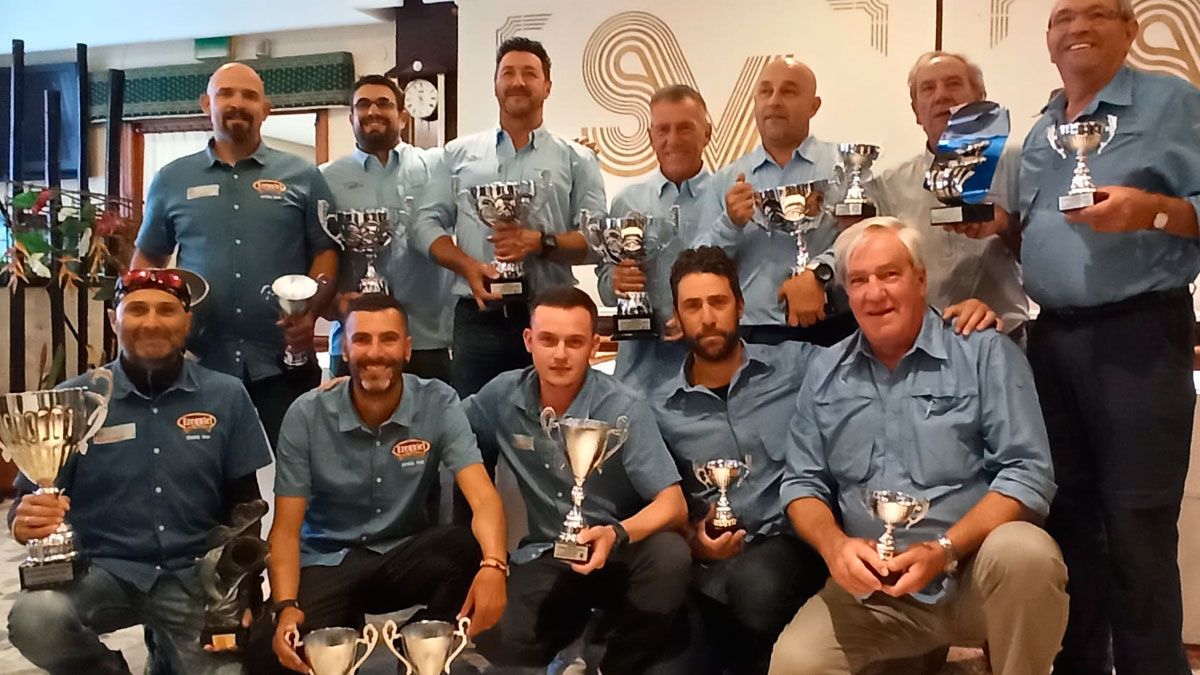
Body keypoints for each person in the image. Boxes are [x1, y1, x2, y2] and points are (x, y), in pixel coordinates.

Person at [769, 218, 1068, 675]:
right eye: (859, 280)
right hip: (876, 596)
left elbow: (1028, 474)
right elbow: (801, 483)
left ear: (921, 279)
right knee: (795, 663)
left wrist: (945, 550)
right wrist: (835, 548)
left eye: (889, 275)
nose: (874, 293)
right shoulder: (825, 372)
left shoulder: (983, 352)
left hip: (971, 576)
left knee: (1026, 553)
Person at [1015, 1, 1200, 672]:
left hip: (1139, 337)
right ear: (1048, 39)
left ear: (1130, 29)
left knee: (1138, 530)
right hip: (1053, 342)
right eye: (1064, 16)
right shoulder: (1041, 129)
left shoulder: (1173, 101)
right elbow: (1034, 230)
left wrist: (1153, 209)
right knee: (1068, 527)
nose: (1078, 27)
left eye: (1098, 11)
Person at [7, 268, 273, 675]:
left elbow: (246, 504)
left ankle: (166, 654)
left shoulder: (227, 396)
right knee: (35, 619)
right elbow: (27, 499)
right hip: (102, 572)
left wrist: (243, 592)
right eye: (137, 310)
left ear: (187, 322)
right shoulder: (74, 399)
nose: (151, 322)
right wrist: (25, 520)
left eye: (167, 310)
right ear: (116, 319)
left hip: (193, 577)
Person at [246, 293, 508, 674]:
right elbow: (285, 530)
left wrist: (495, 565)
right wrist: (285, 607)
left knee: (466, 546)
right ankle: (341, 627)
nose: (374, 352)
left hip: (404, 556)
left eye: (387, 339)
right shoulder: (306, 414)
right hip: (327, 560)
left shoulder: (438, 402)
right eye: (361, 340)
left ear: (407, 348)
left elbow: (484, 499)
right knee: (268, 659)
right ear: (345, 349)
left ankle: (420, 645)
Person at [462, 287, 690, 674]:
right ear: (529, 341)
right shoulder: (501, 395)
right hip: (547, 552)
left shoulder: (623, 408)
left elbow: (674, 504)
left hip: (619, 551)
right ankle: (575, 640)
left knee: (670, 556)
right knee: (499, 638)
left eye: (574, 342)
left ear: (594, 345)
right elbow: (443, 424)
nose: (560, 354)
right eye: (548, 340)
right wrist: (342, 389)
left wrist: (614, 535)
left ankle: (612, 655)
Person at [132, 62, 338, 448]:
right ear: (205, 103)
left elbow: (326, 253)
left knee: (296, 481)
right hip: (196, 365)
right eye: (226, 93)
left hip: (283, 363)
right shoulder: (171, 179)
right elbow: (148, 260)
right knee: (202, 480)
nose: (237, 103)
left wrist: (310, 312)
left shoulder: (304, 176)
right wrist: (144, 318)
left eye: (249, 95)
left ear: (267, 108)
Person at [649, 246, 827, 675]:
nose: (707, 317)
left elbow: (874, 346)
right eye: (693, 306)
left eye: (718, 302)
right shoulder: (659, 409)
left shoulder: (797, 365)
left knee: (753, 587)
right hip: (712, 563)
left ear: (740, 305)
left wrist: (954, 318)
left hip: (790, 544)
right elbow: (661, 498)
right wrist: (694, 539)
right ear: (678, 316)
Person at [411, 37, 606, 398]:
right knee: (472, 429)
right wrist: (467, 266)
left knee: (550, 427)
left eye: (530, 73)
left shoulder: (576, 159)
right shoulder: (457, 154)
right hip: (477, 316)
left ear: (547, 86)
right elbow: (423, 226)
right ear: (495, 84)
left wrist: (542, 243)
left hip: (550, 317)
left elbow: (596, 242)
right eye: (508, 73)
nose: (518, 81)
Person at [694, 56, 852, 346]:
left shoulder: (846, 169)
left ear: (813, 106)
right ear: (755, 102)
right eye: (765, 92)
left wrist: (819, 273)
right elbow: (697, 266)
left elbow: (866, 241)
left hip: (835, 330)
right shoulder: (726, 180)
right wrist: (730, 224)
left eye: (789, 91)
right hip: (754, 336)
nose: (774, 101)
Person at [871, 50, 1028, 338]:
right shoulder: (889, 184)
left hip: (1003, 334)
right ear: (917, 111)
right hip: (922, 340)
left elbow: (1047, 255)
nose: (941, 96)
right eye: (928, 89)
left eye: (954, 84)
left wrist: (1004, 224)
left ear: (980, 96)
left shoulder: (1018, 163)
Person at [321, 74, 455, 383]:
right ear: (351, 116)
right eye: (363, 104)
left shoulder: (436, 167)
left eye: (384, 103)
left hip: (428, 337)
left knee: (432, 429)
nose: (373, 111)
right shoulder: (326, 178)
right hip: (356, 341)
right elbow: (317, 250)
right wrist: (331, 304)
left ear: (403, 116)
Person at [597, 84, 711, 394]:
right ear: (650, 137)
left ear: (707, 133)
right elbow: (606, 290)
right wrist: (617, 281)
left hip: (708, 371)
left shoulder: (726, 200)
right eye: (663, 129)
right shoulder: (625, 202)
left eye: (685, 128)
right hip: (639, 377)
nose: (672, 139)